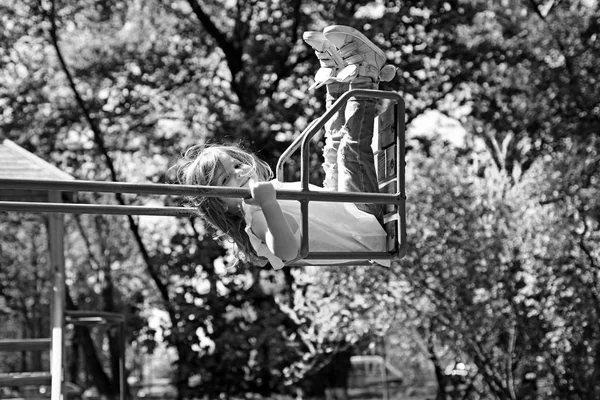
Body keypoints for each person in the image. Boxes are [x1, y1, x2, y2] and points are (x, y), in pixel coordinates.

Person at [178, 25, 395, 269]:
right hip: (363, 226)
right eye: (225, 178)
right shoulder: (255, 216)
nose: (238, 173)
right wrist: (269, 204)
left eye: (237, 165)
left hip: (346, 211)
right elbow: (287, 251)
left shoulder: (260, 200)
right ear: (219, 205)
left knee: (332, 151)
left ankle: (337, 82)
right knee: (349, 152)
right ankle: (367, 74)